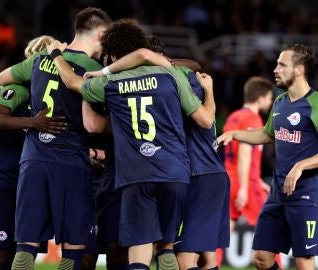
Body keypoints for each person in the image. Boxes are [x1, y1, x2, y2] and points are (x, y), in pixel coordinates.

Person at [47, 19, 215, 270]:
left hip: (136, 174)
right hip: (175, 173)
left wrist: (56, 55)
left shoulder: (111, 83)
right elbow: (204, 117)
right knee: (166, 248)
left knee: (138, 248)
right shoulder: (172, 74)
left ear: (114, 54)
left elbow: (73, 83)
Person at [85, 44, 229, 270]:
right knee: (182, 252)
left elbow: (206, 120)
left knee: (176, 253)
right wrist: (209, 91)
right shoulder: (181, 78)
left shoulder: (156, 81)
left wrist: (101, 72)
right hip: (190, 173)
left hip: (194, 173)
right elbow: (195, 71)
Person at [0, 7, 111, 270]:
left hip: (33, 160)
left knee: (26, 246)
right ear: (101, 34)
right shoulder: (95, 70)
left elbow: (3, 78)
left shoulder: (39, 59)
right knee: (73, 247)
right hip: (70, 162)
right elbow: (95, 124)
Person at [217, 44, 318, 270]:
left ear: (299, 70)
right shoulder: (280, 102)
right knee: (261, 259)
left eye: (282, 64)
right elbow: (266, 134)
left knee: (303, 260)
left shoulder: (316, 104)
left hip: (306, 195)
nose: (275, 69)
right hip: (277, 194)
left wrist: (301, 165)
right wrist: (234, 134)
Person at [0, 35, 66, 270]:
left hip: (27, 183)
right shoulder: (16, 89)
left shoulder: (53, 97)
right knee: (2, 255)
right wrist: (33, 123)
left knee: (22, 256)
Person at [223, 76, 273, 231]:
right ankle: (271, 257)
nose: (270, 102)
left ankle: (209, 257)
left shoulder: (233, 117)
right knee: (269, 225)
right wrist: (245, 187)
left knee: (224, 231)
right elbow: (244, 154)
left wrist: (258, 180)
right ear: (261, 98)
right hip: (245, 182)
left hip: (227, 180)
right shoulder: (253, 119)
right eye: (269, 98)